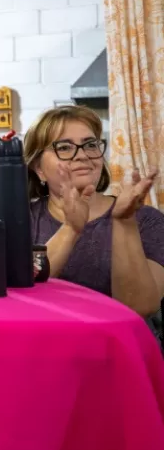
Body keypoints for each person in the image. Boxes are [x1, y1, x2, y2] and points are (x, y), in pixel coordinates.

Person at [25, 105, 164, 349]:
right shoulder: (22, 220)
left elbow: (140, 307)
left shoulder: (146, 220)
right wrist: (70, 228)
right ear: (38, 169)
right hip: (47, 354)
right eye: (64, 147)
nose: (83, 155)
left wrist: (124, 223)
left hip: (124, 357)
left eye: (90, 145)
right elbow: (22, 295)